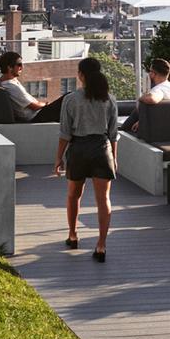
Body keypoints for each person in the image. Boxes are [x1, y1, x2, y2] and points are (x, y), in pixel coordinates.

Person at [55, 56, 119, 262]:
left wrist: (58, 158)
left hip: (79, 149)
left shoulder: (71, 99)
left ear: (81, 75)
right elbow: (113, 134)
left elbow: (65, 133)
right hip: (102, 149)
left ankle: (73, 235)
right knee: (104, 199)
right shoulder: (109, 99)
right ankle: (101, 245)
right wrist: (114, 158)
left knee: (74, 194)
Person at [0, 51, 64, 123]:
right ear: (10, 67)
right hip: (36, 116)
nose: (22, 67)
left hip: (38, 112)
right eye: (19, 65)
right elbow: (34, 106)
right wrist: (46, 104)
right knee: (66, 98)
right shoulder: (13, 88)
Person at [122, 57, 170, 132]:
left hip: (159, 128)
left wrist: (140, 99)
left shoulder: (159, 89)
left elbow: (152, 99)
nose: (149, 74)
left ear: (154, 73)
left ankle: (121, 131)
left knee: (139, 107)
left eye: (150, 71)